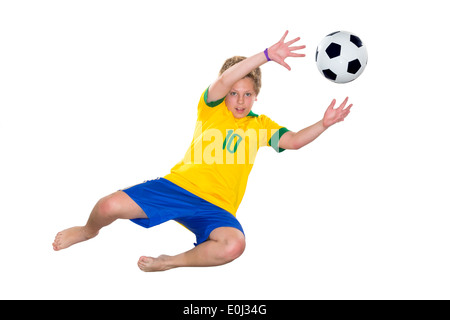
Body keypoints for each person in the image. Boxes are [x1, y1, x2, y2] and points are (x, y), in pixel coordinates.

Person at [53, 31, 353, 272]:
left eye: (247, 94)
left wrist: (324, 124)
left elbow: (296, 140)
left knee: (234, 245)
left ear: (256, 97)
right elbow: (223, 81)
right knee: (107, 207)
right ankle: (87, 231)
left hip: (216, 208)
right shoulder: (210, 108)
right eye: (234, 93)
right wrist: (264, 57)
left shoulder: (261, 126)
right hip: (178, 188)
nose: (239, 100)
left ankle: (170, 261)